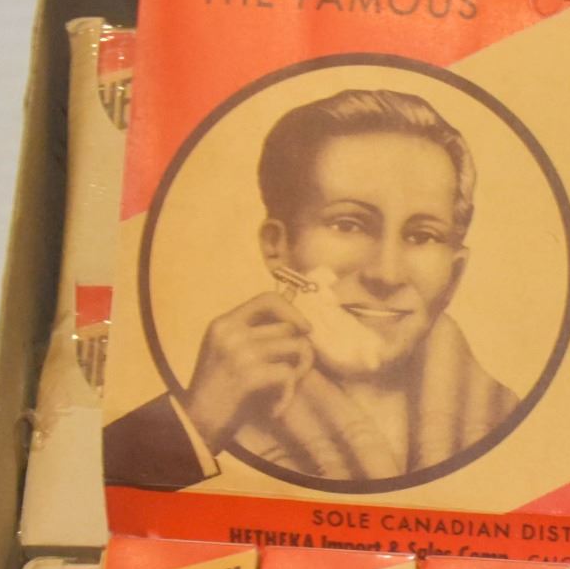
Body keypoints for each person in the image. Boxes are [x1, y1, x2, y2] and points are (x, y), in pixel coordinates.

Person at [105, 87, 518, 486]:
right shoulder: (207, 416)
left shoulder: (508, 423)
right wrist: (196, 423)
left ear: (455, 272)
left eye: (422, 235)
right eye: (349, 225)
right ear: (278, 246)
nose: (387, 274)